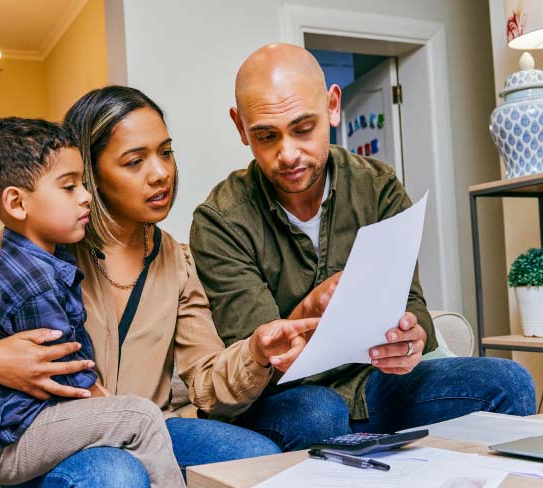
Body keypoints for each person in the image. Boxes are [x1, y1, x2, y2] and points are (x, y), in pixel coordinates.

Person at [0, 86, 318, 488]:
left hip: (149, 426)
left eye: (166, 153)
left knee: (256, 459)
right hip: (51, 438)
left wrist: (256, 354)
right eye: (135, 161)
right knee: (117, 478)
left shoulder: (176, 259)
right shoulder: (33, 246)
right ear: (91, 174)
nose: (160, 174)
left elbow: (207, 384)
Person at [190, 43, 536, 451]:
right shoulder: (220, 220)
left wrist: (412, 336)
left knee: (509, 382)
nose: (288, 155)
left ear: (333, 106)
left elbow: (413, 302)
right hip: (290, 399)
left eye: (303, 129)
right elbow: (258, 360)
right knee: (318, 412)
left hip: (375, 384)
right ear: (240, 127)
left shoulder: (377, 185)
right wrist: (310, 308)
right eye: (266, 136)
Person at [0, 117, 188, 488]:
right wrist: (108, 404)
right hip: (16, 439)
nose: (86, 198)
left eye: (83, 184)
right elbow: (68, 370)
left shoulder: (45, 257)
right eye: (69, 187)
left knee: (132, 419)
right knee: (140, 417)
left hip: (27, 426)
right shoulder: (28, 279)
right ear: (16, 202)